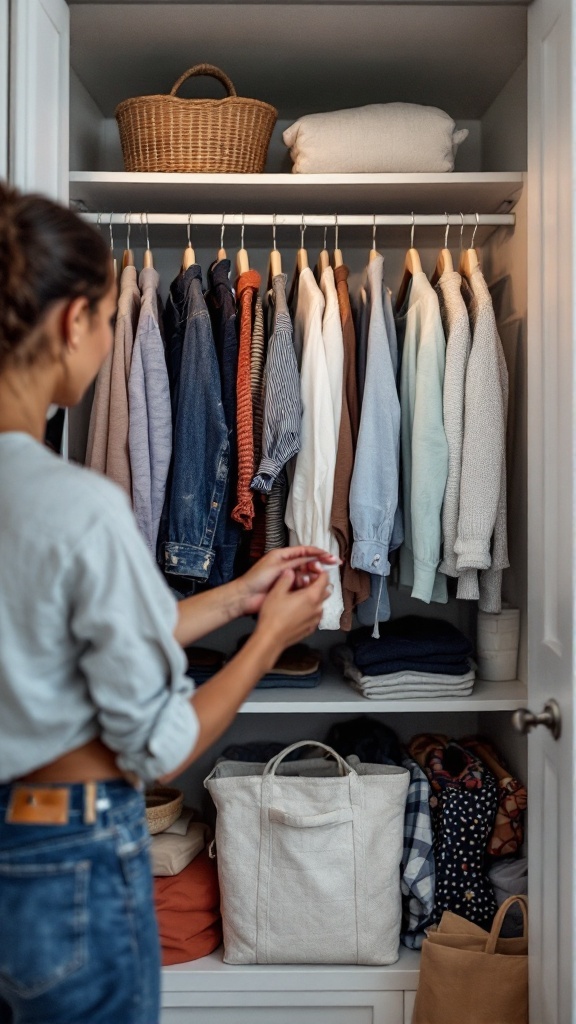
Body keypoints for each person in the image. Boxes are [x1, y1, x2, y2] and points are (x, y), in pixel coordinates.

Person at [0, 183, 335, 1024]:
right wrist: (268, 643)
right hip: (59, 851)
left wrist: (232, 597)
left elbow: (66, 634)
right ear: (74, 322)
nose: (112, 338)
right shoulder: (74, 506)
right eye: (110, 320)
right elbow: (156, 746)